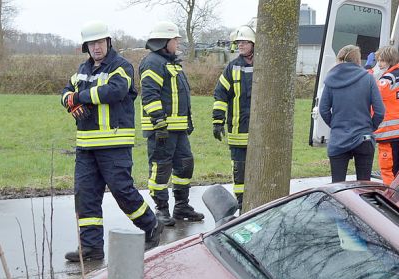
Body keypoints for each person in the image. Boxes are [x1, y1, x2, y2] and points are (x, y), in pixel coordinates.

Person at [60, 20, 161, 262]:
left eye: (100, 42)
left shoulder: (121, 67)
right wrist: (69, 101)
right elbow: (65, 92)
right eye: (91, 43)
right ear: (86, 47)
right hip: (85, 146)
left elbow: (114, 91)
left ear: (108, 42)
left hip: (114, 144)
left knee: (122, 191)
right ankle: (91, 248)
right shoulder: (81, 70)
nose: (96, 47)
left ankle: (151, 226)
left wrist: (80, 97)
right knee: (85, 196)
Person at [139, 21, 204, 227]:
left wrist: (188, 121)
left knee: (185, 165)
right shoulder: (153, 63)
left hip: (177, 129)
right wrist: (159, 122)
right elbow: (150, 95)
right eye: (175, 40)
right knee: (161, 169)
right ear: (164, 42)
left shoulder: (171, 63)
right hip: (162, 130)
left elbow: (181, 96)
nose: (177, 43)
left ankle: (181, 206)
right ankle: (161, 210)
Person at [319, 45, 385, 183]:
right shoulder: (368, 79)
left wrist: (335, 125)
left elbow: (324, 109)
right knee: (364, 185)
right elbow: (380, 111)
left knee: (337, 187)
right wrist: (370, 127)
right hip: (364, 137)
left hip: (339, 138)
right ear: (357, 60)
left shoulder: (331, 80)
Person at [212, 25, 255, 211]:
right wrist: (217, 121)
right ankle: (242, 204)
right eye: (238, 43)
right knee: (239, 170)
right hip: (238, 129)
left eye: (244, 42)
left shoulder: (264, 66)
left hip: (259, 132)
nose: (241, 45)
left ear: (254, 44)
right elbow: (220, 94)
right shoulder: (232, 67)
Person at [373, 46, 399, 185]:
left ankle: (390, 198)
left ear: (389, 60)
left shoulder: (387, 80)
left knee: (388, 169)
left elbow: (373, 97)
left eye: (382, 61)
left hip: (389, 133)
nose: (379, 64)